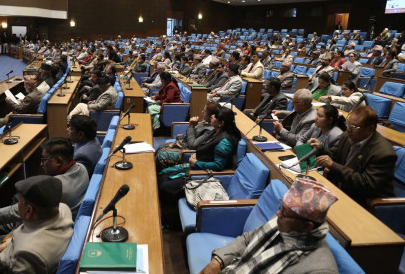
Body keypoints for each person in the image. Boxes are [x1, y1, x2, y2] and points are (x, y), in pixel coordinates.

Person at [199, 177, 338, 274]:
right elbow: (248, 239)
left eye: (284, 213)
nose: (277, 213)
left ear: (307, 227)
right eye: (281, 207)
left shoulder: (321, 269)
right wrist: (218, 260)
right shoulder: (283, 221)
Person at [0, 175, 74, 274]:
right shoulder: (63, 209)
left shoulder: (28, 253)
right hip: (10, 247)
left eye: (19, 202)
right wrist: (3, 246)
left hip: (5, 264)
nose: (17, 205)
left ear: (29, 210)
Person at [158, 107, 241, 205]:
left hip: (204, 173)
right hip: (197, 166)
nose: (211, 118)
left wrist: (196, 162)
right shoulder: (216, 130)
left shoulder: (225, 142)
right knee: (163, 173)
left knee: (165, 185)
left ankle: (170, 214)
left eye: (214, 117)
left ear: (221, 123)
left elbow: (218, 166)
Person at [316, 106, 397, 206]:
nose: (348, 129)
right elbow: (332, 155)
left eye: (354, 126)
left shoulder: (384, 153)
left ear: (370, 128)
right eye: (348, 124)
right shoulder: (347, 136)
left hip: (364, 202)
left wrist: (333, 165)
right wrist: (318, 149)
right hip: (341, 189)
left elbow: (366, 184)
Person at [155, 102, 220, 170]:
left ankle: (160, 176)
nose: (202, 112)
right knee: (160, 148)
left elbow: (193, 145)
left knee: (161, 155)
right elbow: (190, 135)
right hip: (184, 145)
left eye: (204, 111)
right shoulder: (205, 123)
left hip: (187, 153)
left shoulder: (210, 130)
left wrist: (191, 126)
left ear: (211, 116)